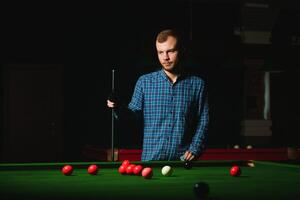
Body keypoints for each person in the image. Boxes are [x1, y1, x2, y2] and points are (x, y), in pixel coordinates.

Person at [107, 29, 209, 161]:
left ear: (181, 50)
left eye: (170, 51)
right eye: (160, 52)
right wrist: (118, 107)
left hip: (184, 161)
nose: (165, 57)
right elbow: (132, 116)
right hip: (151, 160)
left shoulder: (197, 84)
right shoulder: (144, 82)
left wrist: (196, 147)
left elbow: (204, 120)